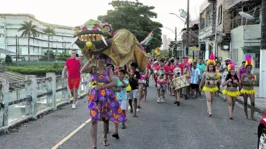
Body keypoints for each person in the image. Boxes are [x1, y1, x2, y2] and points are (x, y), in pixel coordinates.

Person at [86, 54, 125, 149]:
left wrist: (102, 86)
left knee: (105, 119)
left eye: (103, 59)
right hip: (94, 97)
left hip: (106, 97)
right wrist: (90, 60)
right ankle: (94, 145)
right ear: (96, 59)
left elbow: (114, 82)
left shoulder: (108, 70)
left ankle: (105, 138)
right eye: (99, 58)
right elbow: (82, 70)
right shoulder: (93, 69)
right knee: (93, 121)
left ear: (106, 60)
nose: (101, 60)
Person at [240, 56, 257, 120]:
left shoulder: (253, 75)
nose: (249, 69)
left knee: (253, 102)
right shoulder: (244, 75)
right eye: (248, 68)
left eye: (251, 68)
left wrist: (253, 83)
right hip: (245, 89)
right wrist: (248, 82)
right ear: (246, 68)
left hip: (251, 90)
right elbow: (241, 82)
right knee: (245, 102)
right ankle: (246, 115)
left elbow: (253, 83)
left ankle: (252, 116)